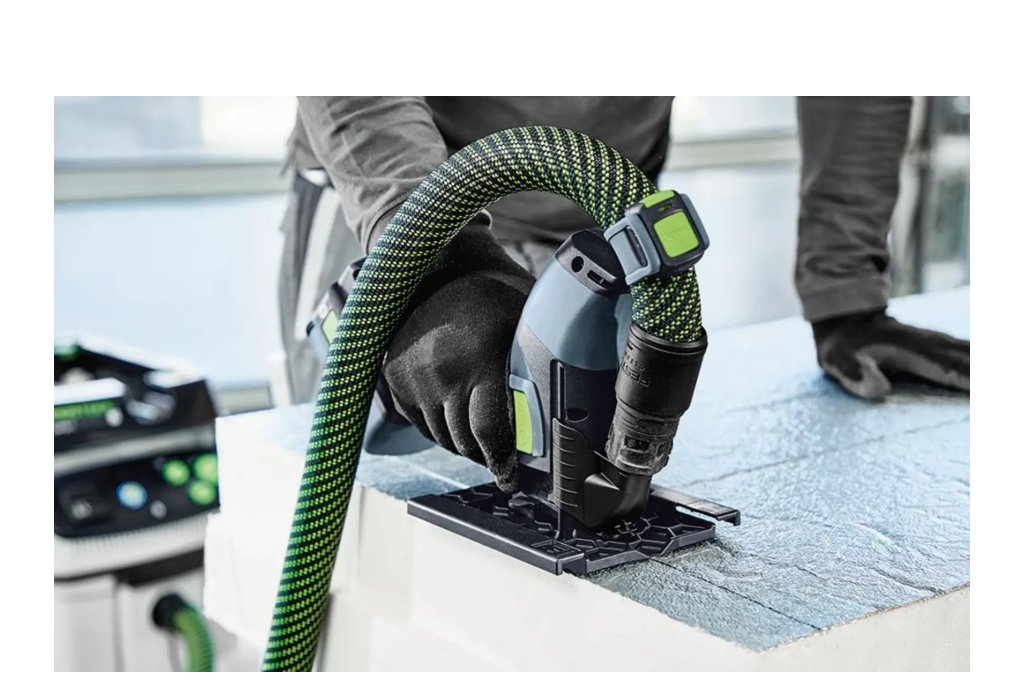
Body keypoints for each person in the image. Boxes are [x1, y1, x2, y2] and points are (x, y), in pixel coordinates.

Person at [277, 97, 970, 490]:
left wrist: (845, 289)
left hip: (600, 218)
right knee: (369, 510)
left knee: (571, 497)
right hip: (389, 194)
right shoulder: (412, 227)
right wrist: (435, 258)